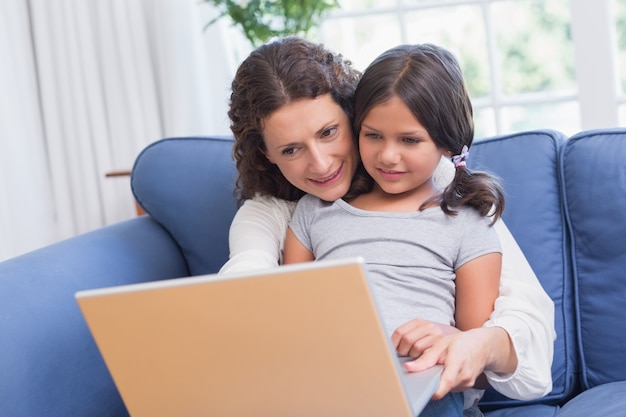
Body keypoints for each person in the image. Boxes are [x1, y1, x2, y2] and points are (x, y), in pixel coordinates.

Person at [219, 36, 555, 413]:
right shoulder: (302, 212)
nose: (321, 164)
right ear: (267, 155)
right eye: (291, 149)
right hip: (335, 388)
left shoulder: (460, 206)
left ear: (351, 116)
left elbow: (485, 347)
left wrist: (465, 344)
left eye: (329, 132)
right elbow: (277, 300)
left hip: (425, 390)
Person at [283, 43, 506, 416]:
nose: (387, 155)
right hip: (335, 388)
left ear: (448, 144)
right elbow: (289, 317)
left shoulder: (467, 224)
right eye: (372, 135)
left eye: (409, 140)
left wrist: (454, 343)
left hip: (426, 391)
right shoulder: (315, 213)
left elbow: (480, 368)